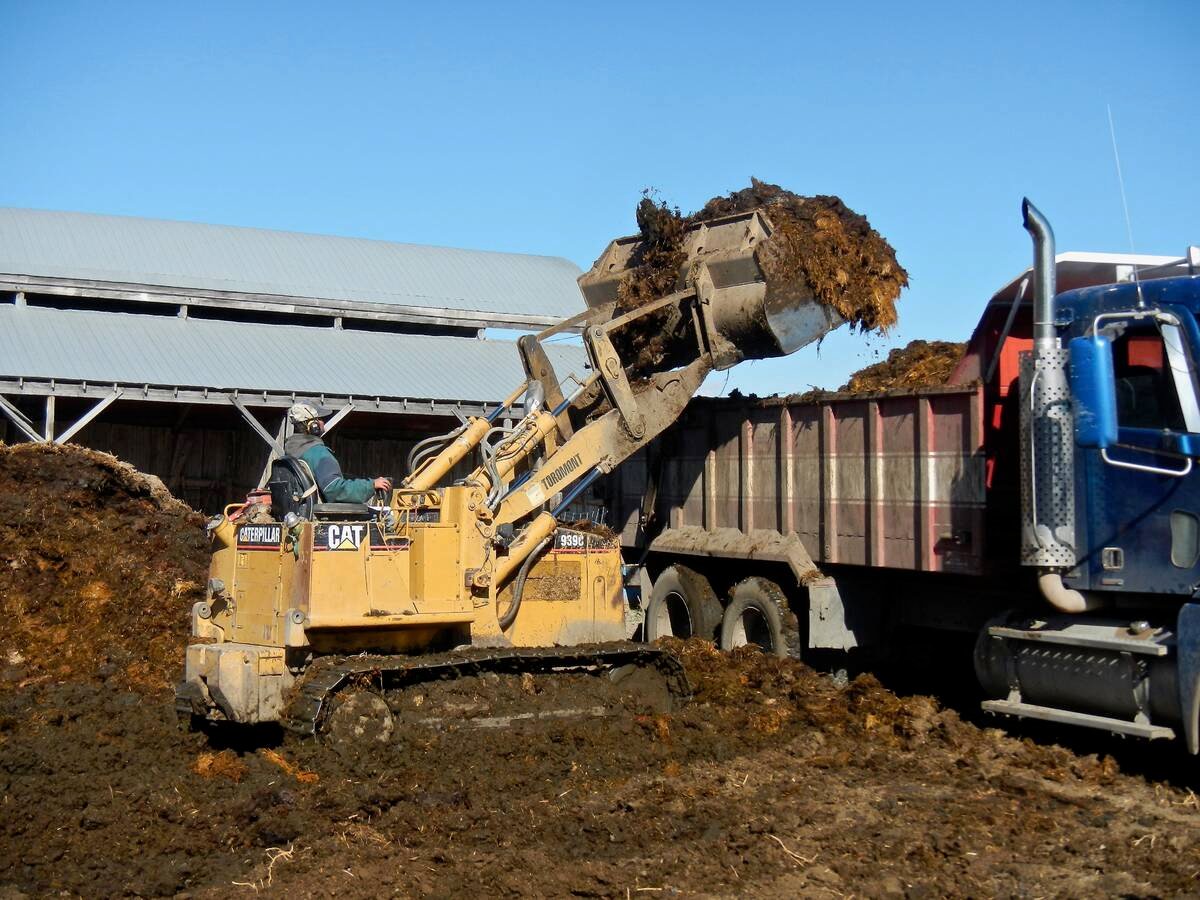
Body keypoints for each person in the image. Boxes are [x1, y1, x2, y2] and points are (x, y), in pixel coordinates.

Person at [283, 403, 392, 504]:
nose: (323, 423)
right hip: (321, 516)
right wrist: (371, 485)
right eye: (320, 419)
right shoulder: (318, 453)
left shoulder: (291, 452)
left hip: (298, 514)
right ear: (313, 426)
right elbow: (334, 490)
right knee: (386, 519)